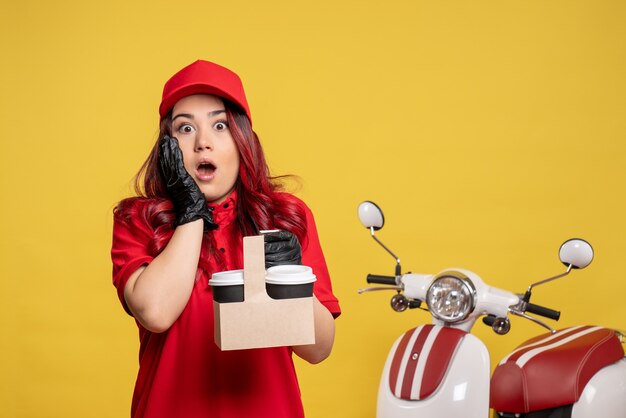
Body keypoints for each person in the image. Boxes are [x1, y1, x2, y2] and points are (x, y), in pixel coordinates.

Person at [111, 60, 341, 418]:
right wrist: (191, 211)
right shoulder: (138, 219)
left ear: (241, 139)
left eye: (220, 125)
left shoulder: (285, 216)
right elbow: (155, 313)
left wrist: (289, 280)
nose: (203, 143)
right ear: (167, 150)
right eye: (185, 128)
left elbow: (319, 350)